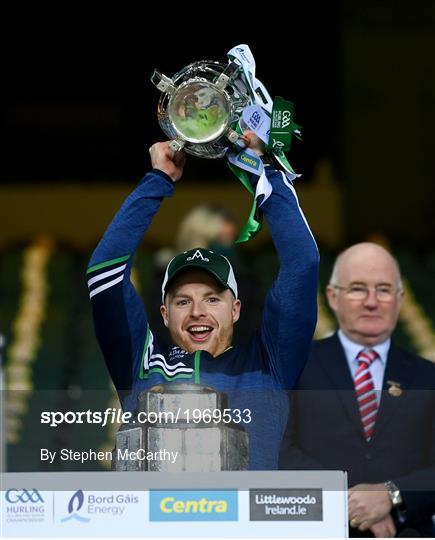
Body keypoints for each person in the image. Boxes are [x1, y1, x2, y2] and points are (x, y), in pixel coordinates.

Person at [87, 132, 319, 470]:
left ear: (235, 309)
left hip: (247, 524)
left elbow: (303, 262)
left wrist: (262, 169)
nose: (198, 312)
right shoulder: (142, 365)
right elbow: (103, 272)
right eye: (182, 302)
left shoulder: (269, 365)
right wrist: (158, 180)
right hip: (152, 523)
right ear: (164, 314)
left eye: (212, 298)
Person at [279, 242, 435, 536]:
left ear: (400, 299)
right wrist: (352, 503)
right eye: (358, 288)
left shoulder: (429, 378)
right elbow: (279, 451)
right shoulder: (293, 368)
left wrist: (391, 496)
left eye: (384, 289)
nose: (372, 301)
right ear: (332, 297)